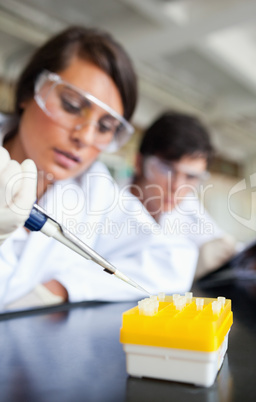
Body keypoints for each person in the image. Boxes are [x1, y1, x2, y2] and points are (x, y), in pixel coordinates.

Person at [0, 27, 198, 310]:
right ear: (29, 91)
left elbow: (173, 259)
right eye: (70, 105)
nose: (86, 137)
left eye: (105, 127)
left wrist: (63, 288)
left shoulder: (94, 187)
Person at [131, 111, 237, 280]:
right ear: (138, 162)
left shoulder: (187, 205)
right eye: (166, 169)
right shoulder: (106, 201)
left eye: (191, 177)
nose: (177, 187)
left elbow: (220, 243)